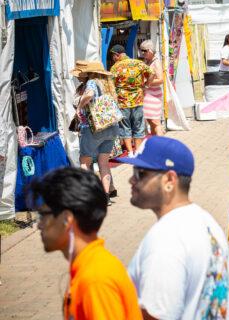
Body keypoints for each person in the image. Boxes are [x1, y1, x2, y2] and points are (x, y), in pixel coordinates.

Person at [116, 136, 229, 320]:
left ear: (170, 179)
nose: (131, 180)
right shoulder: (208, 223)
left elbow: (157, 315)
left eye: (140, 173)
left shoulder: (166, 239)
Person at [29, 167, 142, 319]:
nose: (39, 225)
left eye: (43, 215)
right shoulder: (89, 266)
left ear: (66, 219)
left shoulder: (95, 280)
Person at [72, 61, 120, 204]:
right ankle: (105, 197)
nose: (78, 76)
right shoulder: (107, 84)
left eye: (80, 73)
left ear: (88, 73)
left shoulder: (91, 82)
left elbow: (89, 95)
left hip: (94, 127)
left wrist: (79, 107)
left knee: (85, 162)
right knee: (104, 163)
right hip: (112, 126)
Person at [110, 44, 154, 156]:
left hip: (122, 102)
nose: (113, 59)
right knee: (138, 126)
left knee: (125, 127)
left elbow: (111, 84)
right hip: (138, 100)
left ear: (117, 55)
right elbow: (152, 73)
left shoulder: (115, 67)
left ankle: (130, 152)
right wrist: (146, 86)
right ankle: (138, 151)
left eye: (113, 56)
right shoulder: (138, 63)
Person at [139, 40, 164, 136]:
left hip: (153, 95)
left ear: (150, 51)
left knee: (155, 122)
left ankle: (162, 146)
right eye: (141, 50)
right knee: (151, 122)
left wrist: (146, 83)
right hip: (149, 95)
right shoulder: (148, 61)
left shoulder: (156, 62)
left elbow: (161, 80)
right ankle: (156, 144)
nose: (142, 53)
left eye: (144, 51)